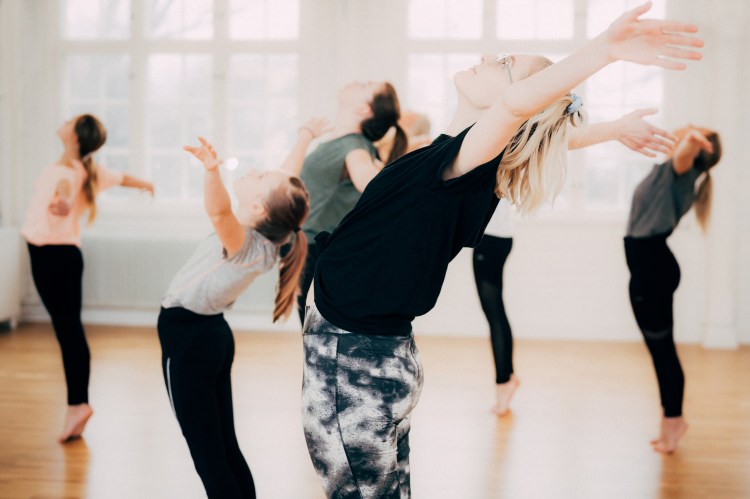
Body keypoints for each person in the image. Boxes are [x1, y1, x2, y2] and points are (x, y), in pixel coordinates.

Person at [302, 3, 703, 496]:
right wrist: (612, 130)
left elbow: (518, 115)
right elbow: (537, 137)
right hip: (368, 358)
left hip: (353, 363)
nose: (487, 58)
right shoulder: (450, 155)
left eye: (506, 65)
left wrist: (604, 49)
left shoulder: (462, 164)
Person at [157, 120, 322, 497]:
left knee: (208, 454)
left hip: (189, 339)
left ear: (258, 207)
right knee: (223, 446)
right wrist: (303, 136)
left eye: (260, 176)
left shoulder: (242, 241)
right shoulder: (271, 238)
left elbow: (218, 213)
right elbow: (286, 180)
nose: (257, 170)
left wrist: (211, 171)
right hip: (211, 336)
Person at [478, 108, 679, 416]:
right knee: (494, 311)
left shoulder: (504, 138)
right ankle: (505, 380)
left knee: (494, 311)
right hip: (494, 237)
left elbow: (555, 139)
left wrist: (616, 128)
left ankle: (505, 381)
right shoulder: (501, 140)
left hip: (491, 239)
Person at [21, 114, 154, 443]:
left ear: (75, 138)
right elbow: (123, 178)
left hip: (52, 258)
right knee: (70, 331)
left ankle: (77, 405)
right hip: (62, 258)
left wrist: (63, 203)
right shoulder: (88, 170)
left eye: (70, 121)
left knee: (68, 332)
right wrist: (146, 184)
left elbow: (64, 193)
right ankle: (78, 405)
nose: (64, 121)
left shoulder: (67, 174)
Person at [624, 125, 720, 454]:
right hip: (650, 268)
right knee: (660, 351)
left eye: (691, 130)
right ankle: (671, 420)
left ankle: (673, 422)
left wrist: (692, 141)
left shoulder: (681, 171)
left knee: (663, 352)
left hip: (653, 271)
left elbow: (685, 153)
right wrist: (691, 138)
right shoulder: (671, 172)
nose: (682, 129)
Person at [295, 82, 407, 324]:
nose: (357, 82)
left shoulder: (355, 147)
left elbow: (372, 184)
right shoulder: (346, 143)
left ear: (365, 109)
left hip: (315, 251)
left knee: (316, 333)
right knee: (314, 332)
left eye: (366, 85)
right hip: (308, 248)